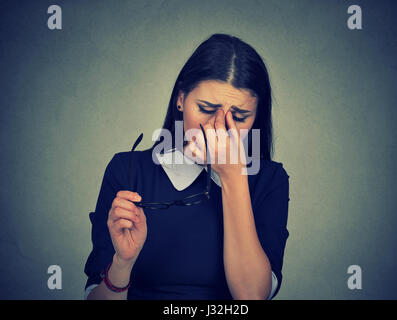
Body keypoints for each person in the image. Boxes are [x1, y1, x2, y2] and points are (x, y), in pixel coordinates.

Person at [84, 33, 290, 300]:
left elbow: (251, 297)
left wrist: (233, 177)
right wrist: (122, 263)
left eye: (238, 117)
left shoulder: (269, 180)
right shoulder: (127, 170)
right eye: (205, 108)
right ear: (181, 99)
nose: (219, 127)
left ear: (256, 117)